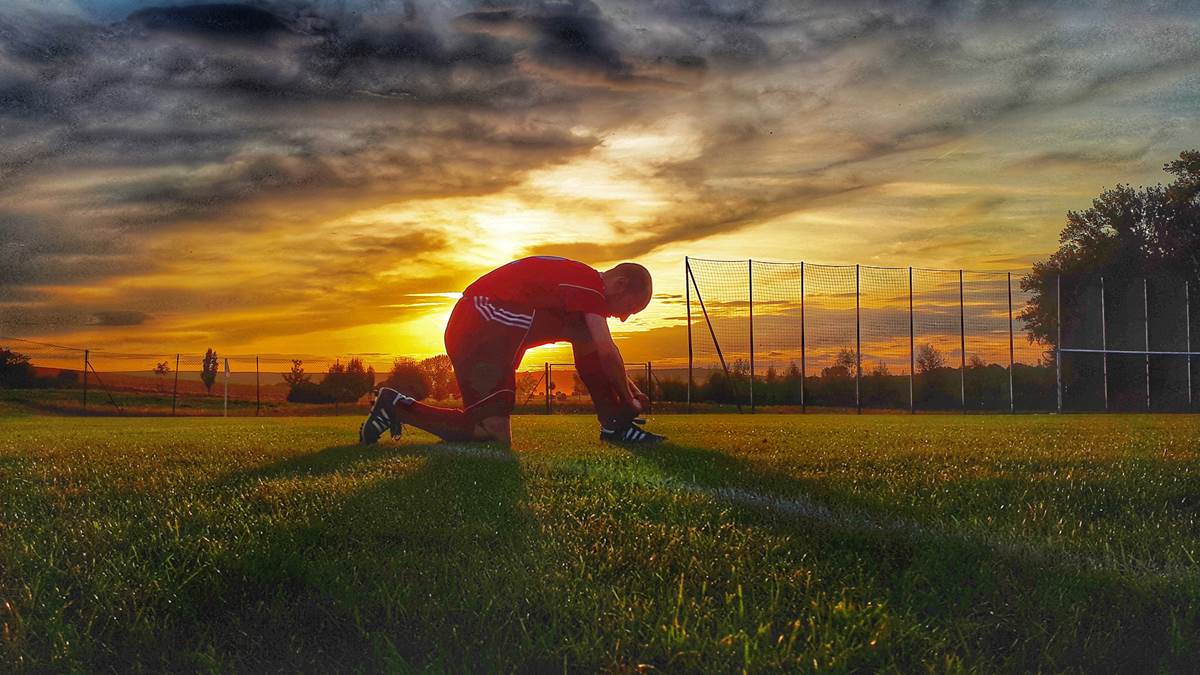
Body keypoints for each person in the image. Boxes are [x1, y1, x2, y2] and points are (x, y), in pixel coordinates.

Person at [358, 256, 666, 446]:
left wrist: (628, 391)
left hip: (484, 324)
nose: (624, 317)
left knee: (491, 432)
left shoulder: (580, 282)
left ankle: (394, 406)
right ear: (621, 284)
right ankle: (615, 423)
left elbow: (600, 350)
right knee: (584, 330)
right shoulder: (590, 285)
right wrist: (627, 398)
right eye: (631, 308)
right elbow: (606, 350)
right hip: (483, 321)